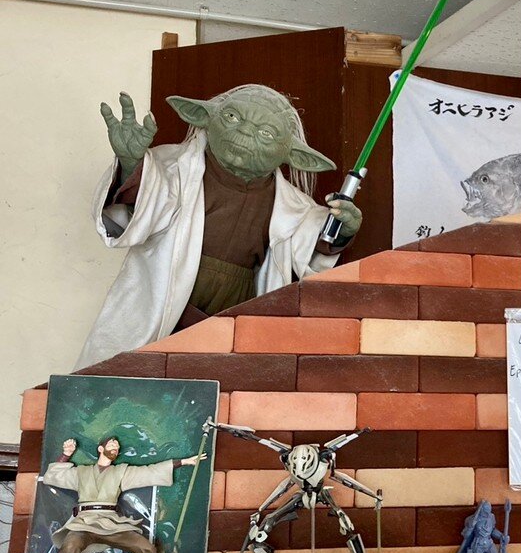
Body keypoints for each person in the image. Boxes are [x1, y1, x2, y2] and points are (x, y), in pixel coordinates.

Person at [80, 86, 360, 366]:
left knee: (224, 380)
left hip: (235, 315)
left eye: (266, 133)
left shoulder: (294, 207)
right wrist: (131, 164)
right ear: (204, 117)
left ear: (293, 154)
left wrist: (342, 229)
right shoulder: (172, 168)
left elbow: (314, 248)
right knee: (139, 378)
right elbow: (143, 204)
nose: (245, 132)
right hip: (164, 300)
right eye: (232, 117)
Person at [41, 434, 208, 553]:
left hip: (111, 523)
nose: (116, 446)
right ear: (100, 448)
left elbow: (150, 471)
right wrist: (66, 454)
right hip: (84, 523)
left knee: (147, 548)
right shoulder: (81, 472)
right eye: (111, 444)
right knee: (69, 547)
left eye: (117, 446)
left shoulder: (121, 472)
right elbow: (53, 476)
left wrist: (182, 462)